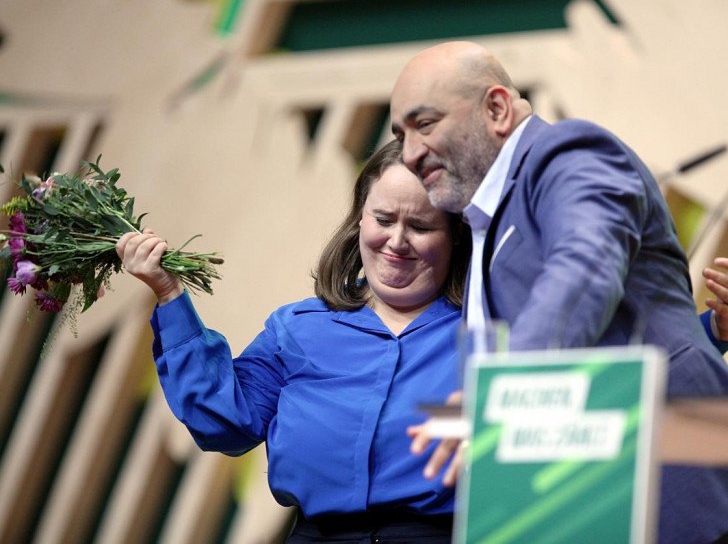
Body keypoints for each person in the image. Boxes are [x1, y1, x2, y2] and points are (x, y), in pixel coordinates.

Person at [389, 41, 728, 544]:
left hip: (675, 481)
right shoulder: (484, 223)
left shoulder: (567, 152)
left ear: (498, 109)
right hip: (582, 499)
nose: (410, 153)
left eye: (425, 124)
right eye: (400, 135)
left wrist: (503, 401)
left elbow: (585, 264)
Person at [116, 140, 471, 543]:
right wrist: (168, 292)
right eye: (384, 219)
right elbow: (224, 423)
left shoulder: (489, 332)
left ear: (456, 235)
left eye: (421, 226)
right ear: (359, 220)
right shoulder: (298, 327)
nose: (396, 241)